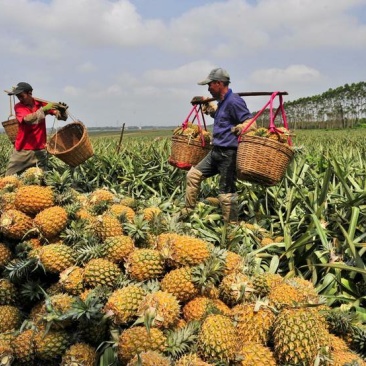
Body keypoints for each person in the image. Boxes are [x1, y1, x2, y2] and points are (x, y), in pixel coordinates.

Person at [183, 67, 257, 223]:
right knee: (193, 175)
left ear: (218, 83)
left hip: (229, 154)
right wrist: (210, 109)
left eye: (210, 85)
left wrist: (241, 128)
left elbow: (250, 122)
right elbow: (222, 117)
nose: (209, 88)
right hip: (216, 152)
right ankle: (188, 212)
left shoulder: (234, 101)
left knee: (226, 193)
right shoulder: (222, 102)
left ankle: (231, 227)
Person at [5, 82, 68, 176]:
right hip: (23, 150)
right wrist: (44, 110)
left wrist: (62, 112)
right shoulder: (19, 106)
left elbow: (61, 117)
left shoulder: (41, 104)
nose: (20, 99)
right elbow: (28, 119)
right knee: (8, 177)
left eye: (22, 96)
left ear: (29, 93)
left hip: (40, 150)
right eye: (18, 97)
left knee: (41, 179)